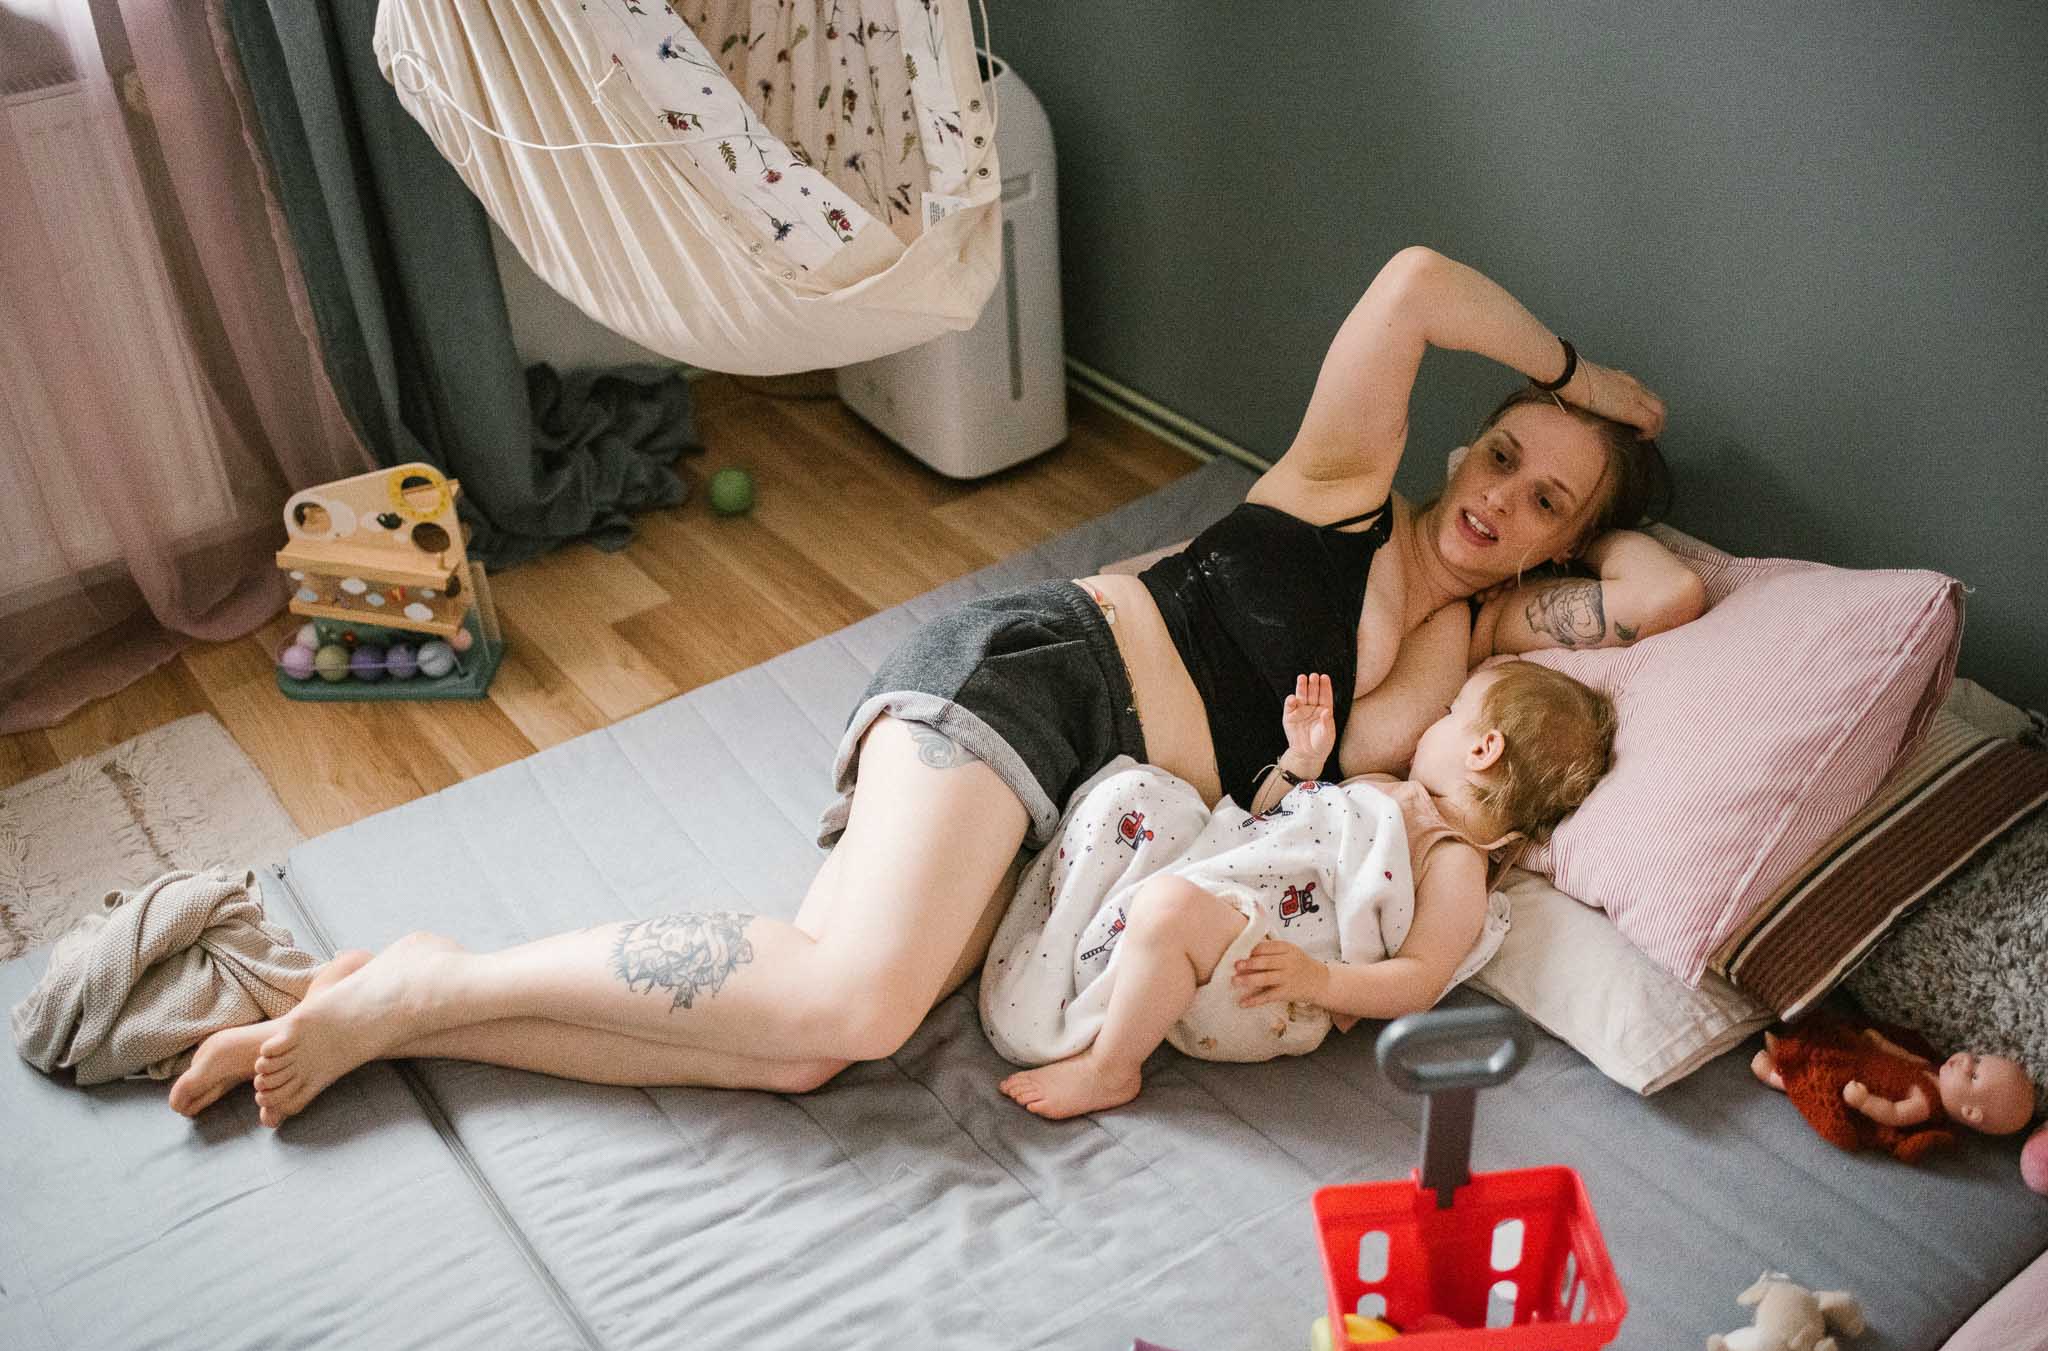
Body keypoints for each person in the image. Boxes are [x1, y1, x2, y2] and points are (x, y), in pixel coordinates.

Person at [242, 245, 1704, 1129]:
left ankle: (408, 1003)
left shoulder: (1473, 664)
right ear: (1459, 448)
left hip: (1085, 813)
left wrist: (1600, 503)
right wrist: (1581, 377)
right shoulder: (1342, 487)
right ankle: (433, 981)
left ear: (1563, 545)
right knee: (856, 996)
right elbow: (1416, 284)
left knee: (811, 1049)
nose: (1501, 499)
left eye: (1547, 501)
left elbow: (1669, 594)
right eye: (1502, 456)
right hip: (1041, 682)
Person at [985, 662, 1614, 1119]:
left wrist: (1317, 981)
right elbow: (1271, 833)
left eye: (1450, 713)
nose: (1434, 721)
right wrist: (1301, 765)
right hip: (1231, 888)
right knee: (1138, 791)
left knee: (1170, 909)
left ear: (1482, 749)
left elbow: (1420, 980)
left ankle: (1110, 1069)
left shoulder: (1455, 862)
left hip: (1264, 977)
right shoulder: (1386, 790)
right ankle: (1093, 926)